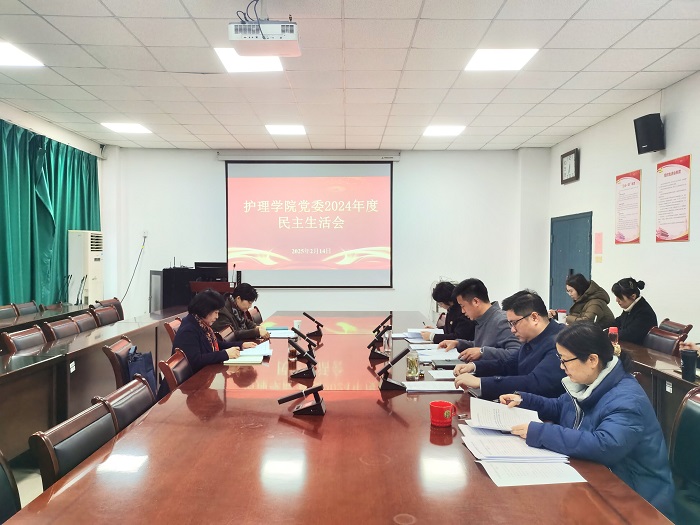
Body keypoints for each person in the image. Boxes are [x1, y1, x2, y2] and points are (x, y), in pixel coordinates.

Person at [499, 322, 675, 520]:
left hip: (637, 500)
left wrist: (541, 432)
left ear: (592, 359)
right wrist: (525, 400)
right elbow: (561, 406)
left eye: (565, 360)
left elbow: (604, 445)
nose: (561, 366)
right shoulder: (592, 380)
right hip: (599, 480)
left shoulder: (627, 399)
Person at [453, 289, 566, 399]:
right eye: (510, 324)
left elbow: (535, 382)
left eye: (514, 323)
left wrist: (481, 382)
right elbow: (508, 364)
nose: (512, 330)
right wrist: (474, 367)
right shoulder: (532, 337)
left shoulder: (561, 342)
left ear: (534, 318)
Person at [437, 278, 519, 362]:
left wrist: (482, 352)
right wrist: (458, 343)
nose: (462, 311)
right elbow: (481, 345)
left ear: (475, 302)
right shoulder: (482, 319)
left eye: (463, 306)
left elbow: (516, 353)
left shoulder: (502, 321)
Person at [548, 273, 614, 327]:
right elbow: (577, 317)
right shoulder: (583, 300)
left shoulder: (595, 302)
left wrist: (565, 317)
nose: (570, 294)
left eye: (571, 291)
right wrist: (557, 315)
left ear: (579, 289)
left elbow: (586, 322)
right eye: (568, 291)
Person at [610, 277, 657, 344]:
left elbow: (629, 334)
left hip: (639, 349)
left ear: (633, 296)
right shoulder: (631, 308)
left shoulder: (644, 313)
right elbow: (617, 322)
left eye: (619, 297)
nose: (617, 300)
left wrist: (609, 333)